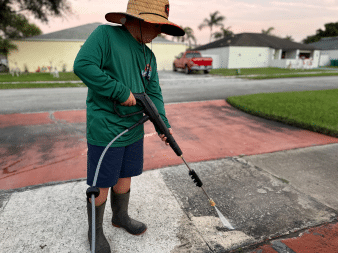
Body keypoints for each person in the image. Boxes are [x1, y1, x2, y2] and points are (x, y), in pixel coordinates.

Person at [73, 0, 184, 252]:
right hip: (106, 129)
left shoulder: (149, 55)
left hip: (134, 129)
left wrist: (162, 125)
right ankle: (95, 231)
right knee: (102, 181)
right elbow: (83, 66)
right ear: (139, 20)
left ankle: (119, 216)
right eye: (156, 26)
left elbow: (154, 93)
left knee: (125, 175)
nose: (159, 32)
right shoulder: (105, 35)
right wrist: (119, 91)